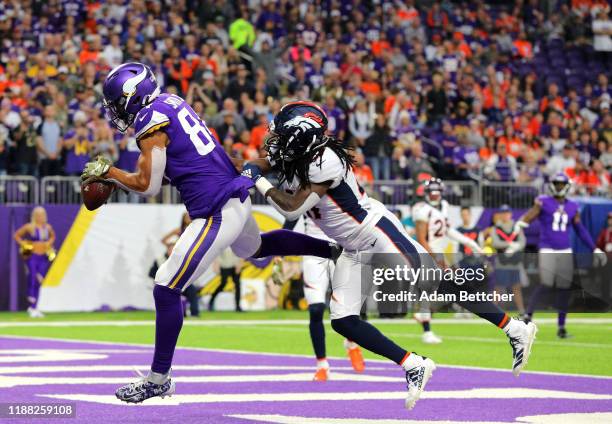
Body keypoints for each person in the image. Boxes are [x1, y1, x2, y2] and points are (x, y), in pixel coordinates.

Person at [241, 101, 537, 409]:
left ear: (299, 135)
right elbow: (260, 163)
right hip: (351, 247)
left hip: (375, 231)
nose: (272, 138)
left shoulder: (325, 160)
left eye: (280, 132)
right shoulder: (295, 152)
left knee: (433, 283)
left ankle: (515, 328)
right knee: (343, 321)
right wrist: (246, 168)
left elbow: (293, 207)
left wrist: (256, 180)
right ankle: (413, 364)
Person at [80, 63, 339, 404]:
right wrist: (117, 178)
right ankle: (332, 249)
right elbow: (181, 166)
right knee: (256, 247)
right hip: (233, 194)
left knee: (166, 286)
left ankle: (159, 379)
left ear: (131, 97)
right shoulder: (171, 103)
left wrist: (110, 172)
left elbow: (148, 185)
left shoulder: (149, 120)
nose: (115, 111)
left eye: (116, 103)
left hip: (216, 208)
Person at [516, 173, 607, 338]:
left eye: (561, 184)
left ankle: (561, 327)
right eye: (556, 183)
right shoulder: (543, 201)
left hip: (565, 249)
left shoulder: (573, 206)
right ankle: (527, 316)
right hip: (547, 247)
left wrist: (594, 248)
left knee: (565, 288)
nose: (558, 187)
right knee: (546, 283)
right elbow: (530, 215)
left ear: (566, 185)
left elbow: (580, 230)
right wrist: (522, 222)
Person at [284, 215, 365, 381]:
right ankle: (322, 364)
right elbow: (290, 218)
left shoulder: (338, 191)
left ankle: (351, 342)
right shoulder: (304, 191)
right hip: (313, 253)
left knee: (347, 306)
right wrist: (278, 252)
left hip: (340, 251)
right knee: (316, 309)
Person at [412, 178, 485, 344]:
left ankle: (424, 315)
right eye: (432, 193)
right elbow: (422, 239)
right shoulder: (421, 210)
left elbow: (448, 230)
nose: (435, 196)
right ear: (426, 193)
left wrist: (469, 242)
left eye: (437, 193)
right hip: (426, 254)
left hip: (439, 253)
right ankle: (426, 330)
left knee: (447, 288)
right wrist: (437, 259)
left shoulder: (444, 206)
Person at [13, 206, 56, 318]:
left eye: (42, 215)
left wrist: (49, 243)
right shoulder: (30, 227)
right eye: (38, 215)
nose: (40, 217)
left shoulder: (48, 227)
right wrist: (24, 244)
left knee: (39, 280)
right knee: (32, 276)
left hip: (43, 257)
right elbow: (16, 235)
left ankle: (34, 307)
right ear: (34, 216)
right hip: (32, 256)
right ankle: (31, 300)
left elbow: (53, 237)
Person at [491, 205, 526, 315]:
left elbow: (522, 242)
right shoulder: (496, 228)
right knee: (498, 287)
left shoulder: (517, 227)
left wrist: (514, 247)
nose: (505, 215)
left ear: (510, 214)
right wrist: (510, 244)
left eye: (507, 213)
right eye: (503, 213)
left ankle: (521, 310)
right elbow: (495, 243)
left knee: (517, 287)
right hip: (502, 262)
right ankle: (492, 310)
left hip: (515, 262)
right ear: (500, 215)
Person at [209, 248, 244, 312]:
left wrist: (240, 264)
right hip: (225, 265)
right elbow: (217, 253)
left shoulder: (236, 241)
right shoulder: (223, 240)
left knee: (237, 285)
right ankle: (211, 301)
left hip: (235, 265)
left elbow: (240, 253)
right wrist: (216, 264)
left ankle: (238, 306)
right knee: (223, 284)